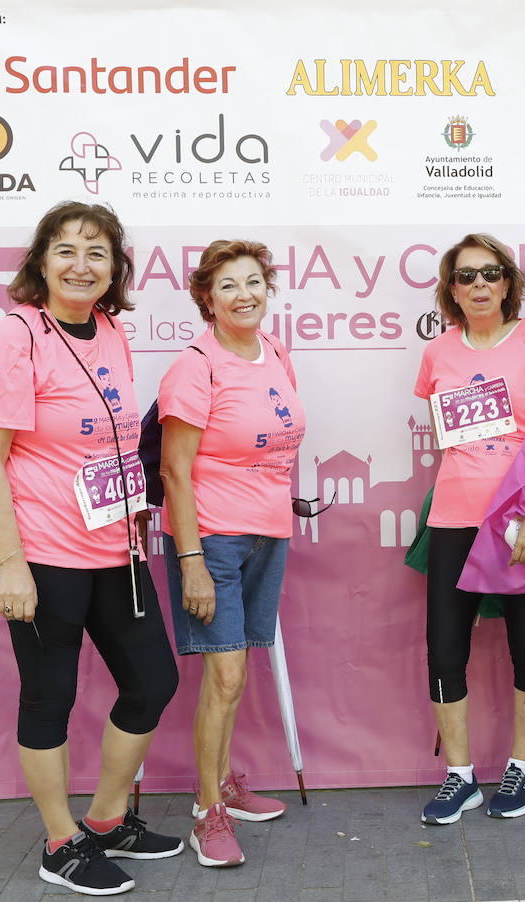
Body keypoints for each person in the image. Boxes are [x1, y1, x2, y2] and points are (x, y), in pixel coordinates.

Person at [0, 202, 181, 896]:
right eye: (66, 250)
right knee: (49, 697)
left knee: (154, 683)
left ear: (114, 268)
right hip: (44, 555)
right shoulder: (17, 335)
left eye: (98, 252)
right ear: (41, 262)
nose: (82, 264)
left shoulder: (114, 330)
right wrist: (12, 567)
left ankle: (108, 818)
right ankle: (60, 842)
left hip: (115, 549)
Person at [412, 233, 525, 824]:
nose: (479, 285)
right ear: (451, 288)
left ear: (508, 283)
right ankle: (460, 775)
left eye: (490, 274)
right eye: (466, 276)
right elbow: (449, 441)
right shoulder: (439, 353)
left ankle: (522, 771)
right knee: (445, 647)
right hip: (453, 518)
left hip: (521, 519)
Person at [158, 240, 301, 867]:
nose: (245, 294)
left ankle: (224, 783)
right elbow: (173, 471)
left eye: (254, 282)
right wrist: (191, 559)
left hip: (268, 534)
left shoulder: (275, 352)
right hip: (211, 538)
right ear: (207, 300)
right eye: (228, 286)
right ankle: (206, 810)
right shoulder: (194, 367)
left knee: (236, 674)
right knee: (226, 674)